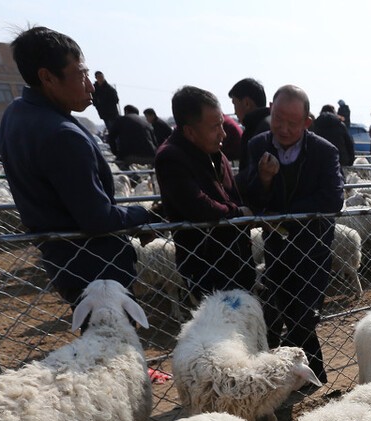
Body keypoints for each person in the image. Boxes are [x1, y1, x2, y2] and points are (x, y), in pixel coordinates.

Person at [0, 26, 154, 306]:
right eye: (81, 74)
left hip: (64, 261)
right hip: (97, 269)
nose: (91, 85)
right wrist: (141, 215)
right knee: (115, 344)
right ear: (47, 77)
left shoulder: (16, 114)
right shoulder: (61, 134)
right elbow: (97, 218)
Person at [240, 85, 344, 381]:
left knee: (304, 313)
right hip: (276, 247)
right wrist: (263, 179)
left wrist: (287, 214)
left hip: (312, 247)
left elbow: (333, 198)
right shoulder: (257, 145)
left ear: (306, 122)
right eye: (277, 119)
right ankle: (314, 375)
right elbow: (250, 196)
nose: (283, 129)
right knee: (286, 310)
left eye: (292, 123)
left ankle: (301, 373)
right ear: (270, 110)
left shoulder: (324, 151)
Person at [154, 85, 255, 302]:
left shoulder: (214, 152)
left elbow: (230, 194)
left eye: (222, 123)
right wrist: (238, 213)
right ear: (189, 131)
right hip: (207, 267)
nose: (223, 133)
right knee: (222, 330)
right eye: (215, 127)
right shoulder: (171, 158)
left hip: (237, 259)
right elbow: (198, 206)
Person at [228, 78, 270, 173]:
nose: (234, 112)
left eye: (235, 104)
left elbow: (252, 174)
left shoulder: (258, 131)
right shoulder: (267, 124)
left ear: (247, 103)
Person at [107, 104, 158, 176]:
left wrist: (115, 152)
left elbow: (111, 137)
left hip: (130, 156)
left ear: (126, 112)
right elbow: (155, 141)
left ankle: (135, 179)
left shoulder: (121, 120)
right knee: (151, 174)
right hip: (151, 156)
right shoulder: (146, 122)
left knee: (118, 163)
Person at [311, 104, 355, 172]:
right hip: (339, 161)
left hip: (318, 162)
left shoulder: (315, 125)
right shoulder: (340, 125)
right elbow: (349, 143)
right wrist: (350, 161)